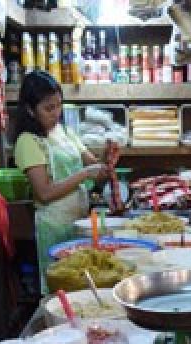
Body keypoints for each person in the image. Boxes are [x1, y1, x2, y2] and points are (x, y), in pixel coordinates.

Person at [12, 70, 116, 292]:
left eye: (59, 105)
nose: (56, 113)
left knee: (85, 284)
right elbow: (45, 193)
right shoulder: (27, 142)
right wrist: (85, 174)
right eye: (48, 108)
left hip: (79, 223)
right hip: (53, 227)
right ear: (30, 110)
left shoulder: (65, 133)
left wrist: (107, 161)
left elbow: (95, 168)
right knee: (62, 288)